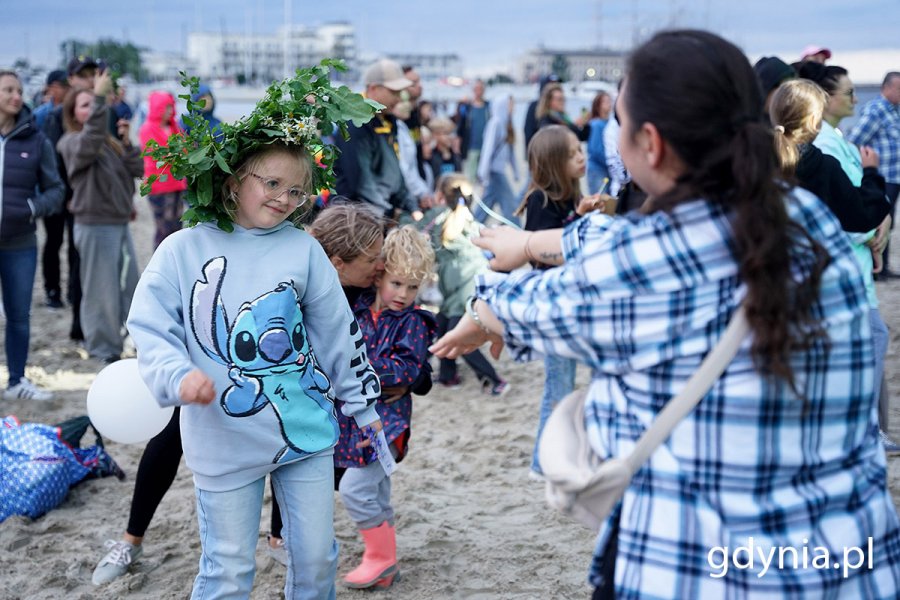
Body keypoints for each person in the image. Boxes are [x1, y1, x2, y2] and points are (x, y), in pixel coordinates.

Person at [431, 29, 900, 598]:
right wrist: (534, 246)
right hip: (847, 563)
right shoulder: (805, 214)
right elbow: (631, 238)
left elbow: (526, 305)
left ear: (649, 143)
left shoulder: (645, 264)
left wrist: (483, 302)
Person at [126, 87, 385, 598]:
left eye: (297, 192)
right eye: (272, 183)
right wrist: (178, 375)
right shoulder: (183, 247)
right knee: (228, 570)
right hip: (224, 440)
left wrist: (363, 404)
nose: (284, 199)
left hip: (304, 434)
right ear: (233, 177)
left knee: (315, 558)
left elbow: (337, 331)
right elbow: (150, 324)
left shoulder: (303, 249)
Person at [90, 202, 393, 584]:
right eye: (373, 259)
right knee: (168, 442)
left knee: (296, 438)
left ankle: (280, 537)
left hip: (291, 407)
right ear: (338, 263)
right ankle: (131, 538)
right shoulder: (284, 267)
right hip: (216, 390)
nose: (381, 266)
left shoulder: (357, 293)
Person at [802, 63, 900, 454]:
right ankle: (862, 431)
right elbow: (835, 209)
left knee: (871, 339)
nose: (856, 98)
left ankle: (866, 428)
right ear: (826, 99)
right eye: (849, 92)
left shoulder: (834, 138)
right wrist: (872, 231)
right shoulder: (823, 145)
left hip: (855, 257)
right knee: (867, 341)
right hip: (844, 261)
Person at [335, 225, 436, 589]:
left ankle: (378, 558)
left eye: (412, 287)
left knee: (355, 490)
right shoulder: (358, 308)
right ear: (379, 275)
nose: (403, 295)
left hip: (389, 425)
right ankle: (387, 564)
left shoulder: (413, 321)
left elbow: (409, 368)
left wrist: (359, 368)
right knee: (376, 491)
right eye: (396, 283)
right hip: (357, 422)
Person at [514, 124, 610, 478]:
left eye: (580, 150)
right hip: (554, 307)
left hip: (575, 304)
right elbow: (544, 253)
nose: (582, 156)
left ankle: (563, 456)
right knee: (559, 386)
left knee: (570, 383)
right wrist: (579, 219)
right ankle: (543, 463)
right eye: (572, 154)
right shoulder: (541, 200)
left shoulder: (572, 195)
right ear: (555, 163)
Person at [57, 71, 143, 363]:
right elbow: (90, 137)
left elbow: (138, 169)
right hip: (94, 226)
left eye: (90, 105)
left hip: (118, 224)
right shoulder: (71, 143)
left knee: (130, 284)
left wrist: (127, 142)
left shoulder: (108, 143)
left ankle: (120, 340)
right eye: (83, 105)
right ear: (73, 114)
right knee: (101, 290)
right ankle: (103, 349)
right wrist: (98, 96)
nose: (91, 109)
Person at [0, 70, 65, 401]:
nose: (16, 96)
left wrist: (30, 207)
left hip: (20, 243)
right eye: (9, 90)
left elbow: (56, 191)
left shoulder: (36, 139)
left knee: (18, 315)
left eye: (19, 90)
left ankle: (16, 380)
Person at [423, 173, 508, 395]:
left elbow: (417, 230)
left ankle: (494, 379)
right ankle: (448, 375)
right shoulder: (472, 223)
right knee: (441, 327)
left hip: (464, 294)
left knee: (461, 337)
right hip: (465, 289)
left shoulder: (437, 222)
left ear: (440, 196)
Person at [333, 58, 422, 222]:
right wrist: (389, 216)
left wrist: (412, 206)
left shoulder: (388, 119)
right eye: (394, 92)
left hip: (382, 212)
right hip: (358, 219)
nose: (399, 98)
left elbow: (395, 171)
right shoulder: (355, 123)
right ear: (373, 89)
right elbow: (361, 183)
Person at [848, 72, 900, 277]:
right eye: (898, 88)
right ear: (885, 88)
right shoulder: (876, 110)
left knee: (890, 221)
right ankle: (877, 269)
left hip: (894, 175)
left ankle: (884, 267)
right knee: (881, 219)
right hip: (883, 175)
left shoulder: (894, 110)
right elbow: (855, 139)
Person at [138, 91, 188, 248]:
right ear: (157, 108)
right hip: (159, 186)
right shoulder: (147, 128)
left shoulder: (174, 127)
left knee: (177, 227)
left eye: (170, 107)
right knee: (163, 229)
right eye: (166, 108)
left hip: (177, 183)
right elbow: (154, 155)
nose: (169, 111)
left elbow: (183, 151)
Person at [474, 95, 520, 224]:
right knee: (510, 206)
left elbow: (510, 152)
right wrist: (482, 173)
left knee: (486, 205)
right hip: (495, 172)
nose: (513, 108)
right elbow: (487, 149)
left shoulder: (507, 123)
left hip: (498, 171)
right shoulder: (496, 123)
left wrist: (516, 171)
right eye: (510, 105)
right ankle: (515, 228)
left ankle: (472, 227)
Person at [455, 79, 489, 183]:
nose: (478, 92)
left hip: (486, 147)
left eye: (480, 89)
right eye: (476, 89)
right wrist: (457, 146)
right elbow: (460, 126)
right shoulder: (467, 107)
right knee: (471, 177)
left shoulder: (488, 106)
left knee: (484, 177)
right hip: (471, 147)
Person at [586, 91, 612, 194]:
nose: (609, 103)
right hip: (597, 171)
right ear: (598, 105)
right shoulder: (596, 124)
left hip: (607, 171)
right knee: (599, 204)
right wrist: (611, 163)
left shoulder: (610, 123)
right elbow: (595, 150)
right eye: (605, 101)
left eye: (610, 100)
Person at [426, 117, 462, 184]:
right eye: (445, 133)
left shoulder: (456, 157)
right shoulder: (431, 156)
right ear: (435, 135)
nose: (449, 137)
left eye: (450, 133)